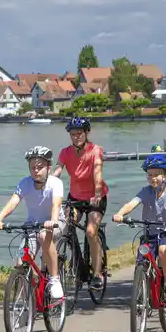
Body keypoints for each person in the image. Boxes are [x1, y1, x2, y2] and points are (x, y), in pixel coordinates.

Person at [0, 146, 66, 300]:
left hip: (55, 223)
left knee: (44, 235)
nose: (36, 171)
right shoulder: (25, 183)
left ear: (48, 167)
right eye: (33, 167)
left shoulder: (55, 183)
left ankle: (54, 279)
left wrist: (52, 221)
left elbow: (56, 205)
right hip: (32, 225)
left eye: (40, 167)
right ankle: (26, 302)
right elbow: (13, 202)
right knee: (20, 262)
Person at [111, 153, 166, 304]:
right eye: (149, 175)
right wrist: (120, 214)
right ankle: (142, 287)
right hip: (150, 230)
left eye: (157, 175)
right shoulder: (146, 191)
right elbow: (131, 204)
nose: (153, 178)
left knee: (164, 250)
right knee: (141, 256)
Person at [53, 116, 108, 289]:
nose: (76, 137)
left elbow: (97, 173)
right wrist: (47, 184)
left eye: (79, 133)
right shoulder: (65, 152)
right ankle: (78, 267)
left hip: (95, 198)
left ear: (87, 133)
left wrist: (97, 193)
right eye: (73, 134)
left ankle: (97, 273)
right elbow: (58, 170)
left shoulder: (95, 150)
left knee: (91, 232)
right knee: (66, 228)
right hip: (75, 197)